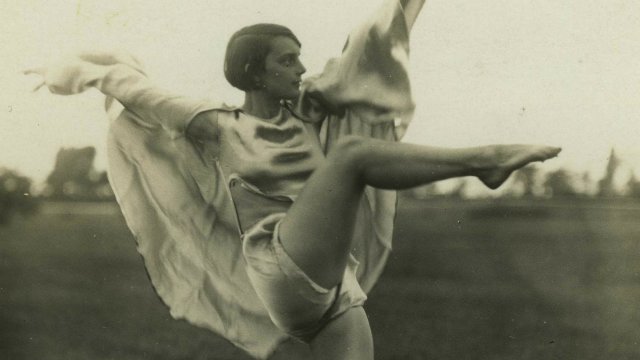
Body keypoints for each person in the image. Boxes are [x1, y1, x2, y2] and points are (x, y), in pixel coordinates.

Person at [26, 0, 560, 359]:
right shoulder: (215, 124)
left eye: (300, 57)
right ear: (253, 72)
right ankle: (485, 161)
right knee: (350, 155)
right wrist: (57, 73)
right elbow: (123, 82)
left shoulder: (309, 110)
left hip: (331, 285)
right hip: (276, 261)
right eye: (287, 60)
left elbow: (368, 45)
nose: (301, 67)